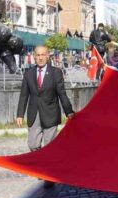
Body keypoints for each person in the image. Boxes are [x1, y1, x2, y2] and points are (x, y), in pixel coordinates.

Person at [16, 45, 75, 189]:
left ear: (48, 56)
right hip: (34, 113)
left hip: (50, 113)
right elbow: (24, 95)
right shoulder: (29, 73)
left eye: (43, 55)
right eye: (38, 55)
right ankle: (42, 164)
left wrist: (69, 111)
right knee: (33, 144)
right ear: (34, 56)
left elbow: (62, 93)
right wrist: (19, 114)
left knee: (49, 146)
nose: (40, 57)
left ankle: (48, 174)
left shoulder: (56, 73)